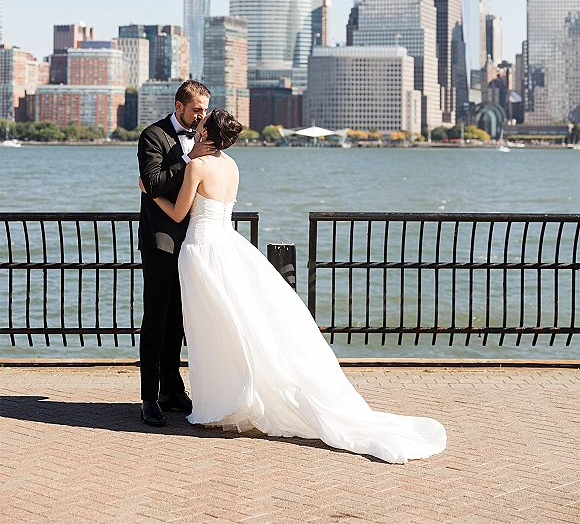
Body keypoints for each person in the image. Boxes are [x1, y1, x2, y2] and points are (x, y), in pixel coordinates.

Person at [149, 107, 447, 463]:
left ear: (206, 133)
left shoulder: (198, 165)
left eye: (202, 120)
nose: (197, 122)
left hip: (201, 250)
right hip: (228, 245)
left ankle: (222, 402)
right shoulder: (231, 166)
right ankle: (230, 398)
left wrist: (150, 193)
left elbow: (181, 213)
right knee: (235, 323)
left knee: (212, 328)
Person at [137, 79, 215, 426]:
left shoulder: (203, 138)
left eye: (204, 109)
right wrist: (189, 157)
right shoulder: (153, 136)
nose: (201, 115)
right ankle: (148, 398)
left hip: (191, 240)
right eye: (196, 109)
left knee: (179, 320)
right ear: (179, 105)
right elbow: (152, 183)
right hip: (160, 240)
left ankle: (172, 389)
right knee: (155, 319)